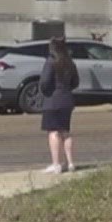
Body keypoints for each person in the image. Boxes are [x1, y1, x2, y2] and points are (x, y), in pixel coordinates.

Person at [40, 37, 78, 174]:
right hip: (67, 100)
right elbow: (76, 82)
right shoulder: (70, 62)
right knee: (65, 132)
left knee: (53, 132)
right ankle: (70, 162)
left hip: (52, 101)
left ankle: (56, 164)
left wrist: (46, 92)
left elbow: (44, 82)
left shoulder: (51, 62)